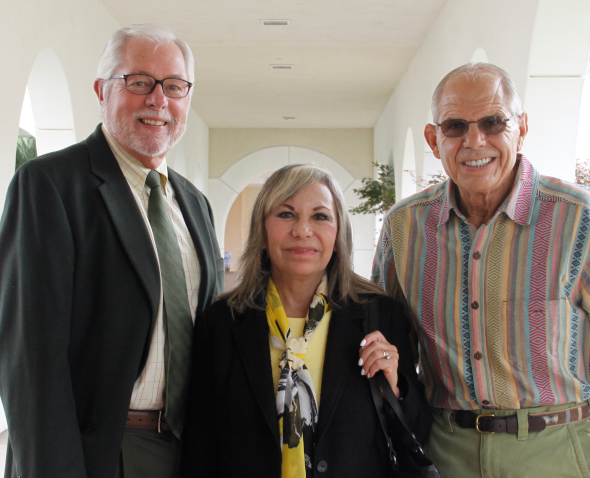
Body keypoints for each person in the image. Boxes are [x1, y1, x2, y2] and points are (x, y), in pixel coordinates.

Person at [373, 63, 590, 478]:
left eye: (494, 122)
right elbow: (382, 340)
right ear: (433, 139)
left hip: (558, 455)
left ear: (522, 128)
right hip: (443, 454)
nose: (475, 141)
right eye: (455, 126)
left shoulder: (579, 217)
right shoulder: (404, 228)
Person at [0, 24, 224, 478]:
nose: (158, 100)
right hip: (96, 454)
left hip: (188, 450)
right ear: (102, 91)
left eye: (174, 86)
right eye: (139, 83)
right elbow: (30, 363)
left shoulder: (195, 205)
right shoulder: (50, 186)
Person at [181, 164, 430, 478]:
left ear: (339, 233)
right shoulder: (221, 323)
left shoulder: (379, 316)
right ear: (261, 232)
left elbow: (417, 431)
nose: (302, 230)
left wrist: (394, 387)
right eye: (286, 214)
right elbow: (199, 444)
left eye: (320, 216)